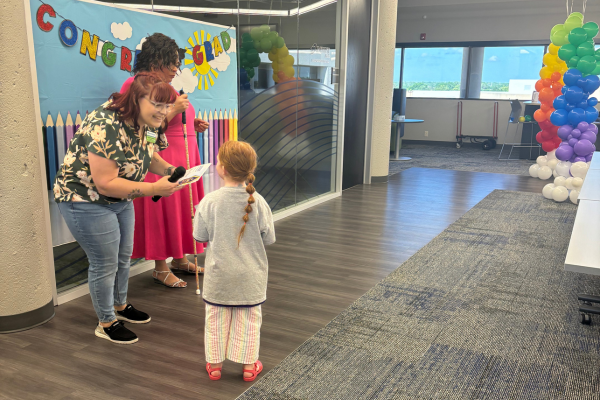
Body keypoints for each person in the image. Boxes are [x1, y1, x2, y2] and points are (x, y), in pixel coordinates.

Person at [54, 72, 183, 344]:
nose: (164, 112)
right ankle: (106, 322)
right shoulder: (105, 123)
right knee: (104, 263)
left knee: (123, 256)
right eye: (157, 104)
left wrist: (171, 171)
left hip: (120, 198)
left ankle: (120, 306)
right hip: (84, 199)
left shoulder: (148, 122)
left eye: (167, 105)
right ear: (137, 99)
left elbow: (148, 155)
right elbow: (105, 183)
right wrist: (154, 189)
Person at [121, 33, 209, 288]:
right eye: (171, 63)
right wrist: (174, 110)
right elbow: (143, 129)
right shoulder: (135, 84)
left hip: (182, 155)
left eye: (177, 64)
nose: (175, 69)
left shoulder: (165, 87)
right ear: (156, 59)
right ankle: (160, 268)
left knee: (182, 210)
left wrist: (191, 122)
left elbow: (165, 120)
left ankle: (180, 259)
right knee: (162, 211)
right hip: (160, 158)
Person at [193, 141, 276, 381]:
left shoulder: (209, 201)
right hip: (251, 277)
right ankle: (249, 366)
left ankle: (215, 366)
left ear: (221, 169)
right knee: (249, 321)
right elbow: (268, 238)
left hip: (219, 277)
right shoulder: (258, 202)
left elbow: (200, 236)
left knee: (216, 321)